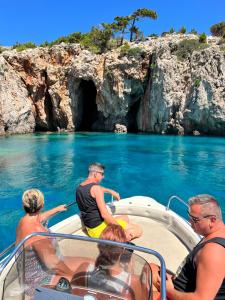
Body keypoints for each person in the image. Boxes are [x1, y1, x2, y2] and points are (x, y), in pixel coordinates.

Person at [16, 189, 91, 295]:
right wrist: (72, 273)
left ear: (25, 206)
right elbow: (54, 264)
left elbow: (39, 217)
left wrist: (57, 209)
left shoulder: (23, 221)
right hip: (39, 282)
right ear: (42, 205)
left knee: (87, 262)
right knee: (81, 275)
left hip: (28, 277)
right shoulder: (39, 234)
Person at [152, 194, 225, 300]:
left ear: (212, 220)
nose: (190, 221)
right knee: (151, 268)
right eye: (189, 216)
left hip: (178, 294)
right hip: (181, 286)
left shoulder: (213, 252)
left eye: (194, 219)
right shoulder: (214, 234)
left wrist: (169, 291)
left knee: (137, 287)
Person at [71, 224, 149, 299]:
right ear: (122, 250)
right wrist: (130, 270)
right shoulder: (131, 281)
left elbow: (72, 294)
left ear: (99, 246)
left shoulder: (84, 269)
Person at [76, 162, 142, 241]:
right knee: (138, 230)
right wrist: (121, 230)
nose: (103, 177)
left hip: (90, 229)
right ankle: (122, 239)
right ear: (96, 174)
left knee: (125, 217)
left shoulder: (80, 187)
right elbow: (105, 215)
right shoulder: (96, 189)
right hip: (100, 231)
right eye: (102, 174)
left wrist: (111, 191)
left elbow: (96, 190)